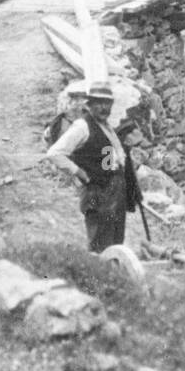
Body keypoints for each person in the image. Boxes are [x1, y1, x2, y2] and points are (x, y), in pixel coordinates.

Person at [46, 82, 142, 252]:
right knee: (100, 244)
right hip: (97, 194)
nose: (104, 108)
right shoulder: (82, 127)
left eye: (107, 103)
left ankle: (113, 275)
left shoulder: (105, 126)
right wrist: (78, 172)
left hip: (114, 192)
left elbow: (108, 157)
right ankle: (99, 275)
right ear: (89, 105)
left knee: (115, 242)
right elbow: (55, 153)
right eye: (99, 103)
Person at [45, 80, 88, 148]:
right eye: (72, 97)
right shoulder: (58, 123)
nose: (75, 102)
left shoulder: (90, 120)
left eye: (78, 98)